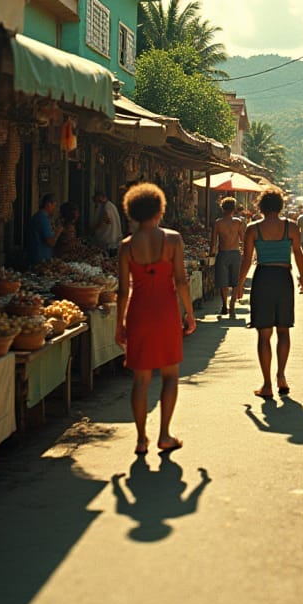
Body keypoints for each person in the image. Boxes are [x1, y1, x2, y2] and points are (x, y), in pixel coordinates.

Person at [115, 182, 195, 456]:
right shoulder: (173, 240)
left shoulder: (126, 246)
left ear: (132, 211)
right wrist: (190, 314)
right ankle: (164, 434)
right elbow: (181, 282)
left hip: (139, 312)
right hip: (166, 311)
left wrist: (119, 324)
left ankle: (140, 439)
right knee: (170, 375)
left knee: (141, 379)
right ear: (160, 209)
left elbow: (123, 291)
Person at [234, 187, 303, 399]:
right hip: (284, 278)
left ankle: (267, 384)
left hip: (263, 278)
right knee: (284, 330)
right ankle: (281, 376)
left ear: (261, 206)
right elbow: (298, 253)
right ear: (280, 206)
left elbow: (247, 259)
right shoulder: (291, 227)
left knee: (264, 334)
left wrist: (239, 284)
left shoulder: (253, 228)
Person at [210, 196, 245, 316]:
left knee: (223, 282)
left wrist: (212, 253)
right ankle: (232, 305)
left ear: (222, 208)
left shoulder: (218, 223)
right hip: (235, 253)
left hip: (223, 253)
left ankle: (224, 305)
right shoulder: (238, 222)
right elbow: (243, 239)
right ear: (234, 209)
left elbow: (213, 241)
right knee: (235, 281)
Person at [27, 193, 62, 265]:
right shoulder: (43, 219)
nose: (55, 209)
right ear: (48, 204)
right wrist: (58, 232)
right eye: (54, 205)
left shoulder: (38, 216)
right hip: (40, 259)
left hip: (36, 257)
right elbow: (50, 242)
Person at [92, 190, 123, 256]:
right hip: (112, 240)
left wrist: (94, 229)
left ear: (101, 197)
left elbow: (105, 220)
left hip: (108, 242)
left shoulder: (107, 207)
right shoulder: (111, 206)